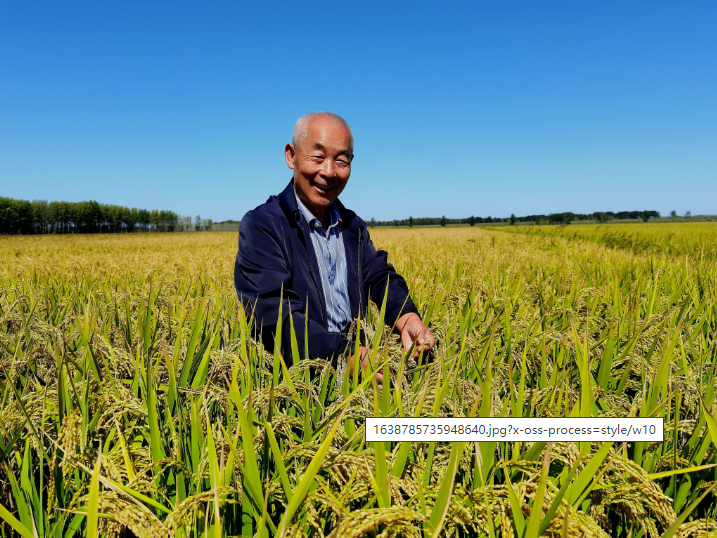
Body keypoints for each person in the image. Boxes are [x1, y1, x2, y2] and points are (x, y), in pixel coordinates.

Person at [233, 112, 435, 381]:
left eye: (341, 160)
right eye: (317, 157)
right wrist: (345, 355)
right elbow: (274, 316)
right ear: (291, 155)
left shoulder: (353, 226)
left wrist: (406, 316)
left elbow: (379, 275)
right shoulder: (263, 226)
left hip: (362, 364)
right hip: (303, 379)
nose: (328, 172)